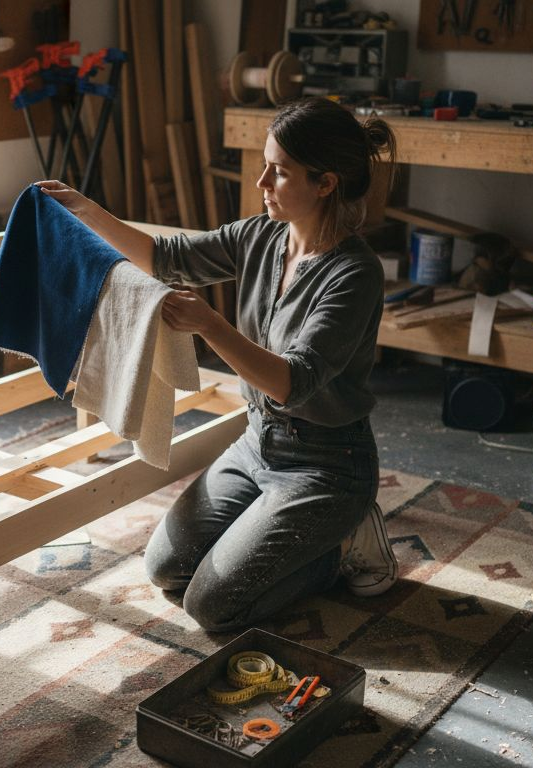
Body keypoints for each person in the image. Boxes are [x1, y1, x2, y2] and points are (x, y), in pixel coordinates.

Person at [36, 96, 398, 632]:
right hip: (257, 443)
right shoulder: (258, 236)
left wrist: (211, 325)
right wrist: (86, 211)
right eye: (265, 166)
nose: (261, 183)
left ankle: (341, 547)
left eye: (279, 172)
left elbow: (293, 383)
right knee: (166, 569)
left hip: (327, 463)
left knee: (210, 606)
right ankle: (301, 538)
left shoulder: (355, 275)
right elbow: (168, 257)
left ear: (325, 183)